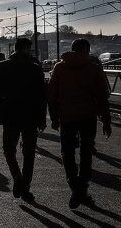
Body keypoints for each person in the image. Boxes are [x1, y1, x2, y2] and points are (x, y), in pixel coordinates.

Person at [47, 38, 112, 209]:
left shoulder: (59, 68)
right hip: (87, 117)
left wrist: (53, 117)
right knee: (86, 152)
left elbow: (52, 95)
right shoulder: (94, 68)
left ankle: (75, 186)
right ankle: (81, 188)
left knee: (67, 152)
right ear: (85, 50)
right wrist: (106, 120)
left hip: (66, 117)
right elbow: (102, 97)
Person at [0, 38, 47, 203]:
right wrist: (42, 118)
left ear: (15, 48)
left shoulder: (3, 66)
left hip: (10, 114)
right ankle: (25, 188)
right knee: (29, 153)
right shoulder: (35, 68)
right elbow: (42, 97)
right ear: (28, 49)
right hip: (30, 115)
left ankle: (17, 175)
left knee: (9, 149)